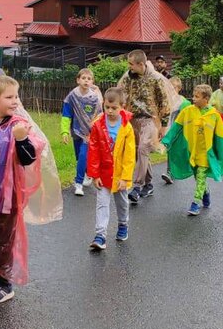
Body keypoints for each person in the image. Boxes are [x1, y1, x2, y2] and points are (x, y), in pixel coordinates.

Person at [0, 75, 57, 304]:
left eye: (16, 96)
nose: (15, 101)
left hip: (9, 196)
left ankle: (3, 281)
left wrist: (21, 140)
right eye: (9, 97)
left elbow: (28, 158)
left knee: (4, 238)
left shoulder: (19, 125)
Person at [161, 83, 223, 215]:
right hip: (191, 152)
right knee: (197, 176)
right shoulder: (187, 111)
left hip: (205, 153)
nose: (193, 98)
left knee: (201, 175)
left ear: (206, 99)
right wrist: (167, 139)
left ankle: (195, 203)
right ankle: (206, 193)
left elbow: (221, 135)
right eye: (193, 95)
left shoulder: (214, 115)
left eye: (197, 96)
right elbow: (177, 127)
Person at [117, 50, 171, 203]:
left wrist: (164, 125)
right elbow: (121, 94)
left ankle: (137, 187)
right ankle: (148, 184)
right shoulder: (128, 77)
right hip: (133, 118)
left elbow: (164, 102)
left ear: (141, 64)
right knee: (138, 152)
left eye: (131, 64)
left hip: (150, 120)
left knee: (143, 148)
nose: (129, 67)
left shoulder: (155, 79)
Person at [85, 88, 135, 250]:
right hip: (104, 173)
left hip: (120, 174)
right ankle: (100, 235)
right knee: (102, 204)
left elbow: (129, 155)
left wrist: (126, 177)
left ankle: (123, 225)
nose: (110, 111)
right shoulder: (98, 125)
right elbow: (93, 151)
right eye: (107, 107)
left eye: (114, 108)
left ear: (122, 106)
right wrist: (94, 174)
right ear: (103, 105)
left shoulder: (127, 127)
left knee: (122, 202)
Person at [61, 68, 103, 196]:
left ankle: (78, 183)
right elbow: (66, 115)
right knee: (79, 157)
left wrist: (96, 129)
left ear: (92, 82)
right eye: (83, 78)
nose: (86, 81)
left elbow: (100, 115)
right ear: (78, 80)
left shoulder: (94, 98)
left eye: (89, 79)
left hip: (89, 134)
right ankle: (86, 173)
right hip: (76, 131)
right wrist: (64, 132)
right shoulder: (72, 96)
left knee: (83, 155)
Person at [160, 76, 193, 185]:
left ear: (179, 88)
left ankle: (173, 172)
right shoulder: (166, 101)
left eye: (173, 88)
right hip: (169, 130)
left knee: (177, 151)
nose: (170, 90)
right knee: (170, 150)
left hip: (178, 132)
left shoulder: (184, 102)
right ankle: (170, 173)